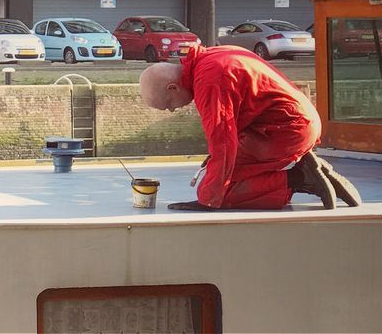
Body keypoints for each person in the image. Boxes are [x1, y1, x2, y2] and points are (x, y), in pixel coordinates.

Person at [138, 44, 361, 211]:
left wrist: (207, 201)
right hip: (293, 123)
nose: (171, 111)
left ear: (172, 87)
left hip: (285, 131)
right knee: (217, 176)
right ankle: (302, 170)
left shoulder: (209, 81)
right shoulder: (213, 56)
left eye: (167, 105)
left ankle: (297, 177)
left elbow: (223, 142)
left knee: (222, 191)